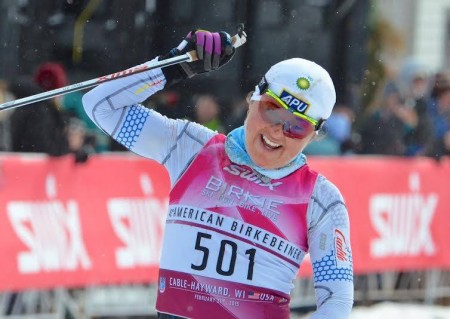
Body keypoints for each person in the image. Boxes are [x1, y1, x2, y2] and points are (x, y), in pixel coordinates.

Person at [82, 29, 354, 319]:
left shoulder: (320, 200)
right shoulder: (191, 148)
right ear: (252, 100)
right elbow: (101, 106)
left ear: (313, 135)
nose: (277, 131)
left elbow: (336, 303)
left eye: (297, 126)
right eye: (272, 111)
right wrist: (174, 66)